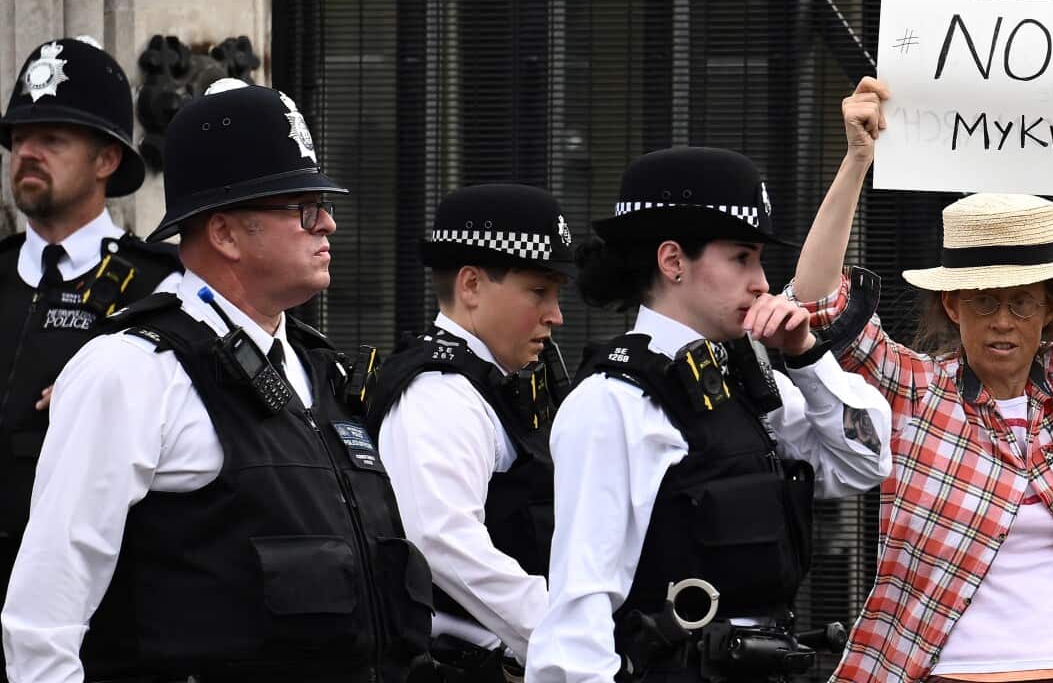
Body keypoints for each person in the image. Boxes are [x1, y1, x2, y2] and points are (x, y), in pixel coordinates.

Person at [1, 79, 433, 683]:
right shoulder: (131, 371)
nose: (329, 224)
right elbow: (45, 613)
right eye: (303, 207)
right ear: (226, 233)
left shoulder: (318, 369)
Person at [788, 78, 1053, 683]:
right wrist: (855, 161)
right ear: (952, 306)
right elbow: (817, 305)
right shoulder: (914, 389)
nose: (1003, 321)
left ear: (1051, 307)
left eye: (1022, 303)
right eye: (982, 302)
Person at [525, 146, 893, 683]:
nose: (762, 282)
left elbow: (864, 461)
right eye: (741, 258)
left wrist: (808, 356)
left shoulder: (741, 383)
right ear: (673, 261)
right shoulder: (614, 400)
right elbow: (580, 609)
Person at [0, 38, 182, 668]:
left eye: (52, 138)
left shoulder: (163, 287)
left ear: (107, 158)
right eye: (21, 136)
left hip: (103, 625)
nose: (27, 151)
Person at [365, 184, 575, 681]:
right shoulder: (439, 394)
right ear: (472, 286)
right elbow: (439, 540)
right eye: (539, 291)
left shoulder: (483, 385)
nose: (555, 315)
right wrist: (566, 634)